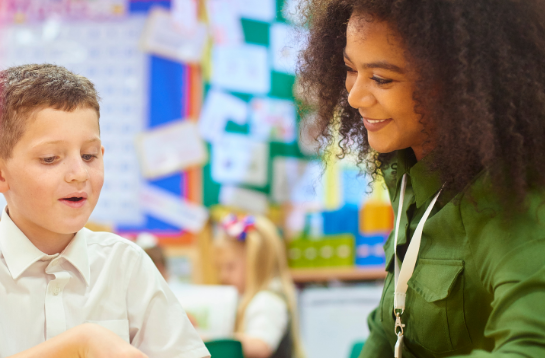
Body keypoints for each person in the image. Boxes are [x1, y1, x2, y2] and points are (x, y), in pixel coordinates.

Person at [297, 0, 545, 357]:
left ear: (461, 82)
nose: (354, 96)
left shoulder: (513, 199)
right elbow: (389, 330)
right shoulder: (406, 176)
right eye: (350, 68)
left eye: (381, 78)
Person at [0, 64, 211, 358]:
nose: (79, 174)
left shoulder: (126, 263)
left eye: (89, 155)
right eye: (50, 158)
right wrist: (82, 343)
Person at [214, 214, 305, 358]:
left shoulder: (267, 300)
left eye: (230, 267)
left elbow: (261, 346)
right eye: (220, 268)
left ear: (257, 264)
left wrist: (215, 340)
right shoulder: (248, 299)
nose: (222, 276)